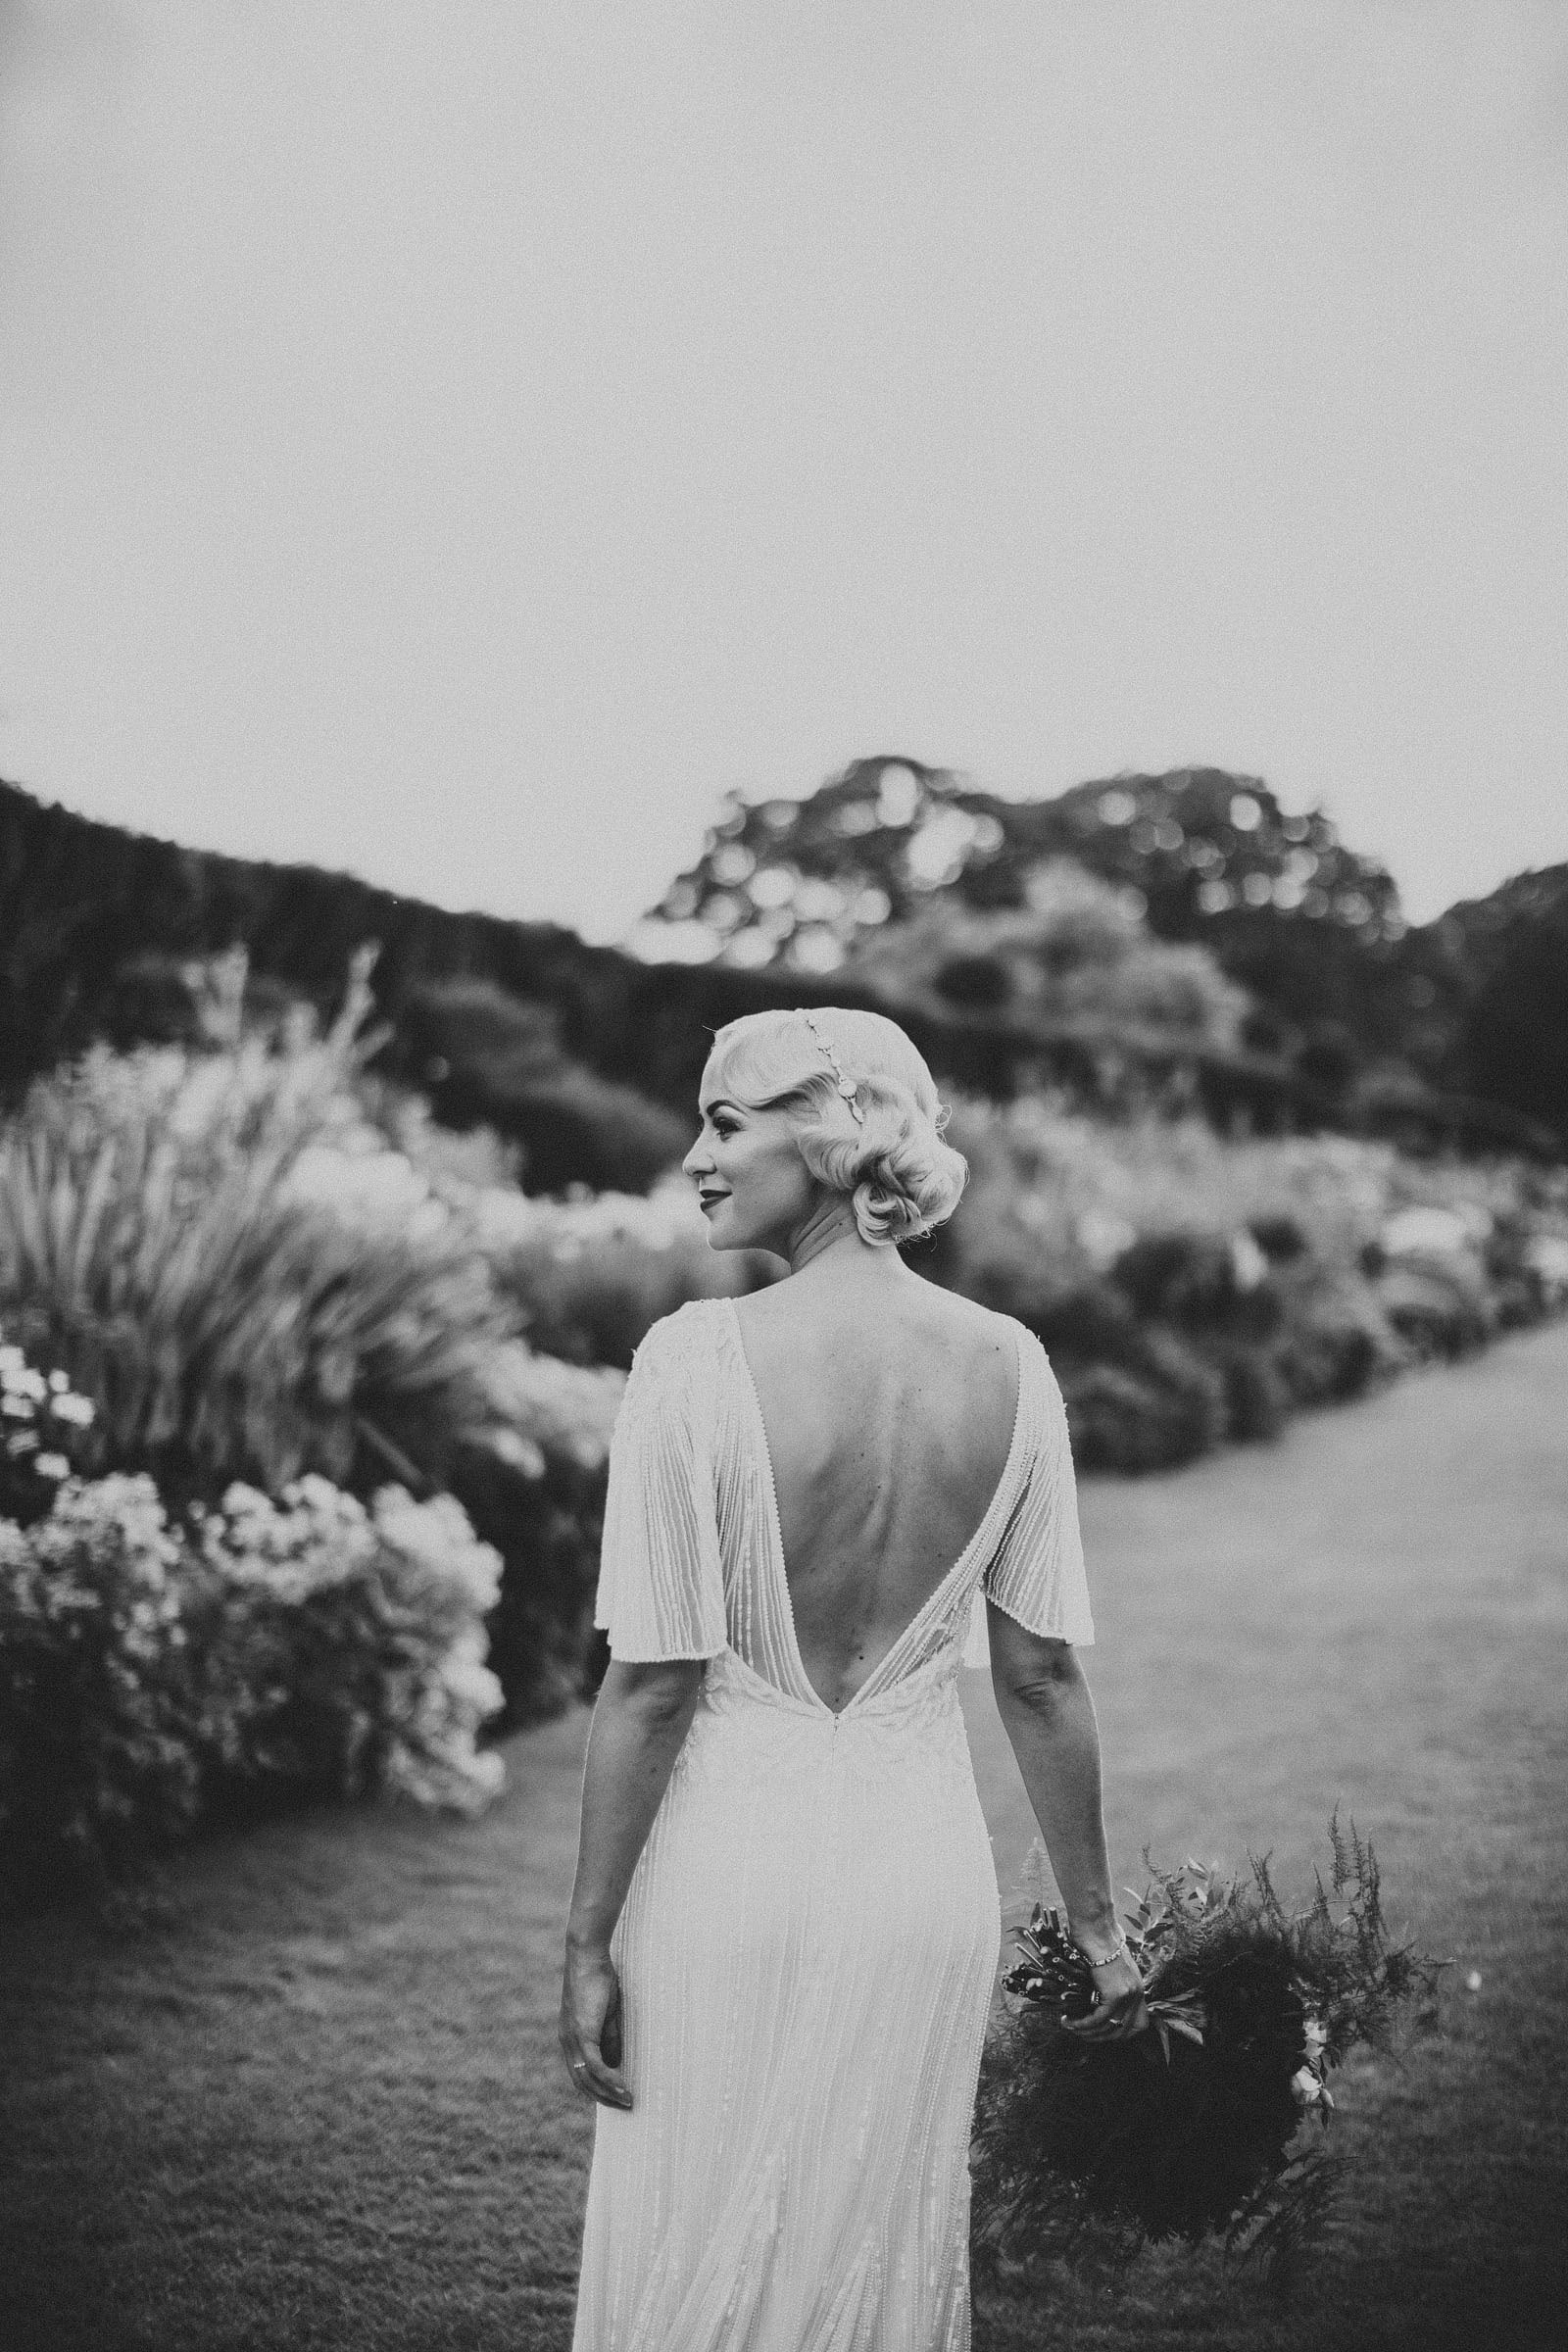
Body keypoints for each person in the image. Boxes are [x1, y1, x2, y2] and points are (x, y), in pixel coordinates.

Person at [563, 1007, 1145, 2351]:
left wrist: (587, 1943)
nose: (696, 1157)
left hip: (724, 1882)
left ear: (830, 1140)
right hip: (919, 1893)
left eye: (724, 1120)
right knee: (876, 2262)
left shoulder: (693, 1362)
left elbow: (651, 1691)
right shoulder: (1013, 1365)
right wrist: (1104, 1940)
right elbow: (1042, 1678)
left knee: (691, 2260)